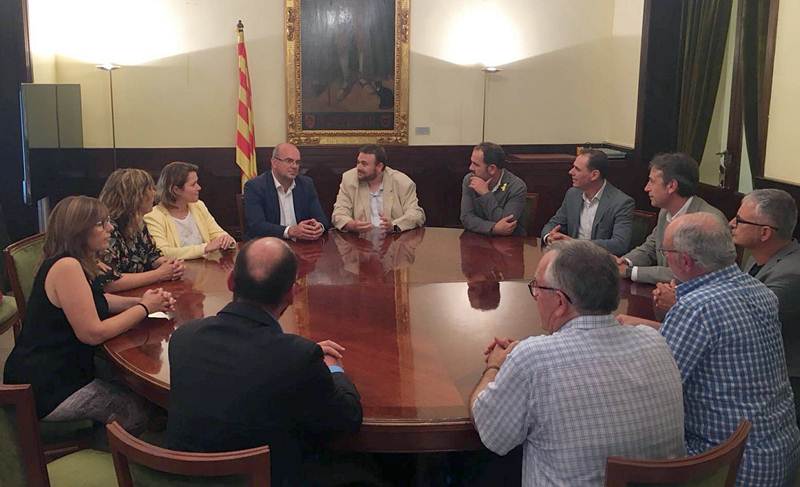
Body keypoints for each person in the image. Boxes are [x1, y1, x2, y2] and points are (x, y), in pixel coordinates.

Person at [470, 240, 685, 486]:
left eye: (537, 287)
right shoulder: (655, 342)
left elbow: (490, 431)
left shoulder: (533, 359)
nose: (535, 295)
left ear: (560, 302)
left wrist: (495, 366)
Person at [620, 213, 800, 485]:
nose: (665, 258)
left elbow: (653, 390)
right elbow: (717, 342)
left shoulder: (697, 308)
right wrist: (644, 327)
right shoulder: (759, 291)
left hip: (727, 465)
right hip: (778, 451)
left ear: (685, 261)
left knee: (608, 443)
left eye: (666, 252)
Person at [166, 237, 362, 486]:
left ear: (230, 281)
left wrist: (303, 353)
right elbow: (346, 420)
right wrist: (332, 367)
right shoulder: (298, 358)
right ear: (292, 293)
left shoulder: (184, 337)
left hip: (185, 479)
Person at [3, 196, 175, 430]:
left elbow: (96, 301)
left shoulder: (75, 261)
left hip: (61, 368)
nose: (110, 228)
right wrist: (143, 308)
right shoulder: (67, 267)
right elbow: (93, 333)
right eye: (101, 224)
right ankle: (114, 451)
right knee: (141, 410)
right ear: (79, 231)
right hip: (47, 385)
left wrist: (141, 301)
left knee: (136, 386)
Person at [617, 153, 724, 284]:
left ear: (671, 186)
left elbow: (686, 272)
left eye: (652, 181)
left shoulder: (709, 222)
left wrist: (630, 272)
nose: (646, 188)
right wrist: (624, 262)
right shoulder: (665, 212)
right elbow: (651, 247)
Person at [98, 168, 185, 292]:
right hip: (119, 298)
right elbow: (109, 283)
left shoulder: (137, 222)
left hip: (141, 292)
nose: (154, 193)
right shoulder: (107, 229)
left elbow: (152, 256)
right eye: (150, 189)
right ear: (135, 196)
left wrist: (171, 266)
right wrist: (159, 274)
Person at [541, 149, 634, 256]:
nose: (571, 172)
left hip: (601, 260)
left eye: (577, 169)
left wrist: (574, 244)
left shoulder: (621, 202)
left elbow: (619, 244)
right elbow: (553, 224)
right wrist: (550, 237)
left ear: (594, 175)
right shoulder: (572, 194)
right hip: (570, 259)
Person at [144, 161, 236, 260]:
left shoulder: (198, 206)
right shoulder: (153, 216)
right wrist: (205, 248)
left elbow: (217, 233)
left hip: (206, 266)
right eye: (193, 184)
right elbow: (163, 252)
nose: (199, 188)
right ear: (176, 190)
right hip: (179, 268)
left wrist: (226, 239)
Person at [243, 143, 330, 241]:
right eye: (289, 161)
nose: (294, 166)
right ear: (274, 163)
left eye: (297, 162)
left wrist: (319, 227)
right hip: (269, 245)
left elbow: (322, 219)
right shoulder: (255, 186)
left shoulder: (306, 184)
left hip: (301, 244)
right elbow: (257, 226)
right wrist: (289, 231)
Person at [332, 144, 425, 233]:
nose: (358, 167)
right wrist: (351, 225)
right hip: (360, 239)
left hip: (394, 239)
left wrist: (394, 226)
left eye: (364, 164)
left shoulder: (402, 182)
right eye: (358, 162)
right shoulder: (349, 179)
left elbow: (416, 214)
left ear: (379, 166)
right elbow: (338, 213)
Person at [460, 142, 527, 236]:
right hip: (476, 238)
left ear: (492, 169)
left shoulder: (517, 186)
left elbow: (507, 225)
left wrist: (485, 194)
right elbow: (466, 218)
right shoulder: (470, 180)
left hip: (509, 242)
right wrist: (493, 228)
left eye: (476, 164)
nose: (470, 167)